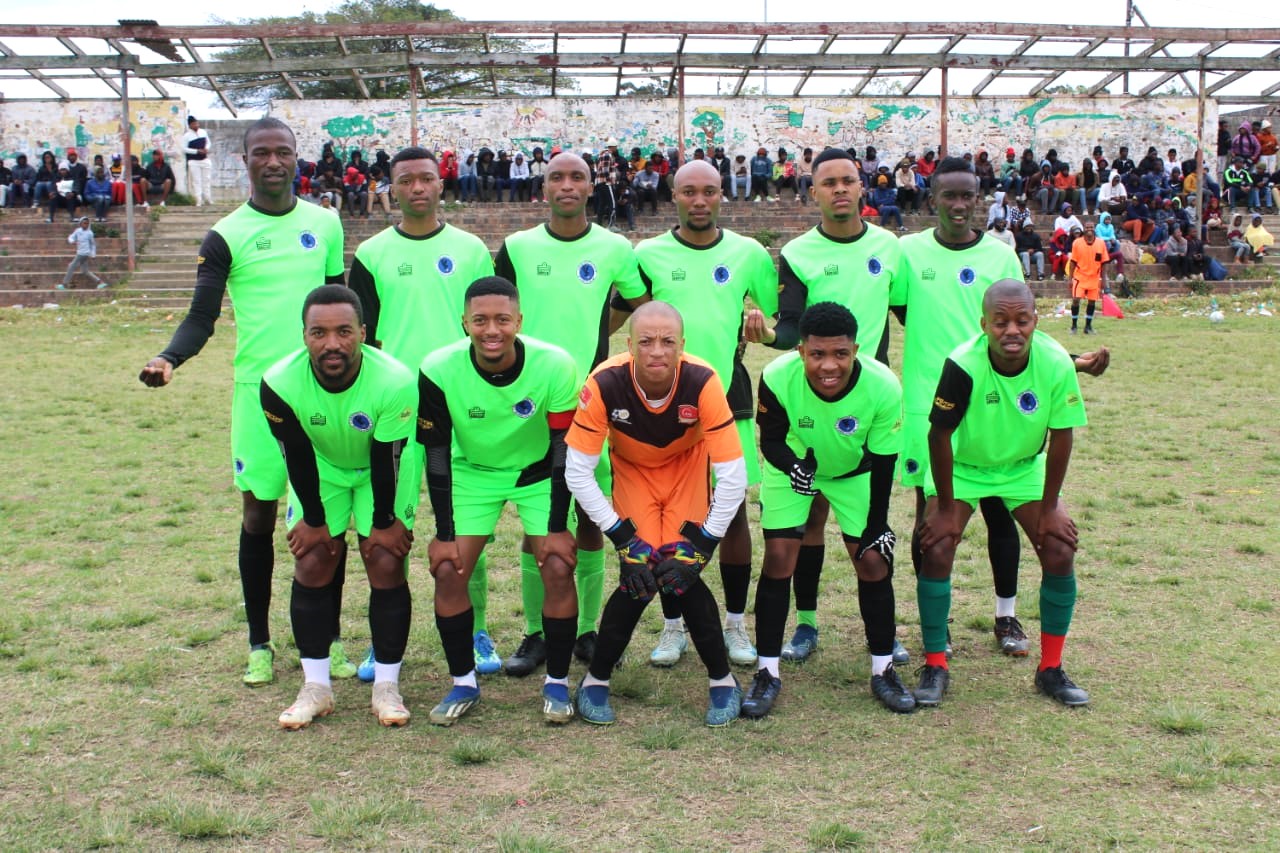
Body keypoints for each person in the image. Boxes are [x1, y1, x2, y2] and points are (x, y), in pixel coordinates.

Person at [138, 117, 350, 687]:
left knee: (328, 519)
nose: (274, 161)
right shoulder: (225, 234)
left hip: (322, 392)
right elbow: (201, 316)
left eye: (283, 151)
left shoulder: (325, 223)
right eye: (262, 153)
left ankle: (327, 640)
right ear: (245, 161)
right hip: (258, 394)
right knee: (258, 514)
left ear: (296, 158)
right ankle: (259, 642)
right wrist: (168, 359)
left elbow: (338, 305)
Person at [891, 157, 1106, 663]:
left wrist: (1071, 361)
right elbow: (899, 310)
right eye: (949, 196)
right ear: (933, 200)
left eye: (969, 196)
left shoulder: (1000, 255)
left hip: (1001, 403)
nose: (960, 205)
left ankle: (1005, 613)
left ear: (979, 199)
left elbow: (1020, 331)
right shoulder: (908, 252)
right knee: (932, 520)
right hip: (934, 403)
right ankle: (935, 625)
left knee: (1001, 518)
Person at [492, 152, 648, 674]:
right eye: (556, 176)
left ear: (590, 187)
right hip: (529, 404)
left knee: (588, 514)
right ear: (544, 187)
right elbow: (498, 312)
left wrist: (602, 320)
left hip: (590, 404)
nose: (566, 184)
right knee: (539, 520)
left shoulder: (614, 248)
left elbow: (640, 302)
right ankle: (537, 631)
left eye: (576, 176)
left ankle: (584, 629)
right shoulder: (516, 247)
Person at [622, 159, 778, 669]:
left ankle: (734, 623)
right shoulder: (648, 254)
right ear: (673, 195)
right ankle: (673, 627)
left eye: (709, 192)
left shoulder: (748, 253)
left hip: (727, 396)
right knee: (669, 517)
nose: (699, 201)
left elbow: (774, 317)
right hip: (664, 403)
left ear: (720, 196)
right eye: (688, 192)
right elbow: (636, 318)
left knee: (730, 514)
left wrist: (761, 323)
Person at [348, 146, 496, 678]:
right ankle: (385, 639)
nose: (416, 188)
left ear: (441, 185)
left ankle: (476, 631)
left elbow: (487, 325)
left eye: (426, 179)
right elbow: (365, 338)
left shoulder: (472, 249)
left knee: (464, 525)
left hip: (462, 407)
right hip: (397, 411)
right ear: (392, 189)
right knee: (387, 523)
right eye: (405, 180)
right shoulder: (371, 254)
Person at [755, 148, 908, 664]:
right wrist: (770, 333)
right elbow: (796, 329)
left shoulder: (890, 247)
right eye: (829, 183)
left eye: (848, 181)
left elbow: (911, 311)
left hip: (865, 397)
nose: (840, 189)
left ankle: (884, 635)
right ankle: (807, 621)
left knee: (864, 532)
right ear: (813, 191)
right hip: (810, 400)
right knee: (808, 519)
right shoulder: (798, 251)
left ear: (862, 186)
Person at [566, 302, 748, 727]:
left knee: (680, 570)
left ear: (682, 346)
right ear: (628, 345)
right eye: (645, 341)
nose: (656, 351)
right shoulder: (604, 382)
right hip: (634, 472)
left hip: (686, 468)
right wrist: (620, 534)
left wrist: (703, 544)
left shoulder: (703, 380)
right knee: (640, 572)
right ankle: (596, 679)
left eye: (668, 342)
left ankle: (722, 681)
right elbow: (578, 470)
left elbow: (733, 476)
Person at [914, 280, 1090, 709]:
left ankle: (1051, 668)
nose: (1012, 331)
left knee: (1060, 548)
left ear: (1035, 320)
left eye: (1022, 321)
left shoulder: (1054, 362)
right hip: (963, 465)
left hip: (1023, 468)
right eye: (1001, 322)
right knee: (936, 546)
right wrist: (942, 506)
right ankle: (935, 664)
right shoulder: (963, 364)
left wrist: (1050, 508)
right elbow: (939, 435)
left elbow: (1062, 434)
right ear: (984, 325)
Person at [418, 277, 581, 726]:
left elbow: (563, 446)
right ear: (465, 322)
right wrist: (444, 533)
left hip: (537, 472)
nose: (492, 330)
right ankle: (463, 682)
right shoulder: (437, 367)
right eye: (481, 320)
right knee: (449, 569)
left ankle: (558, 684)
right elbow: (436, 453)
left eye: (502, 319)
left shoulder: (555, 365)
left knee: (557, 564)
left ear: (519, 321)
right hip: (472, 472)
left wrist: (554, 526)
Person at [743, 302, 913, 717]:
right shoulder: (778, 376)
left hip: (858, 473)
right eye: (817, 354)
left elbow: (884, 461)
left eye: (840, 353)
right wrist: (796, 469)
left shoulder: (883, 386)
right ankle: (767, 672)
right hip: (795, 465)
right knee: (780, 557)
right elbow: (772, 442)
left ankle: (883, 669)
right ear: (801, 351)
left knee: (873, 561)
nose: (828, 365)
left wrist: (877, 525)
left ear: (856, 349)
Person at [262, 286, 417, 729]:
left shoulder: (395, 380)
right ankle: (316, 687)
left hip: (382, 468)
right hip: (322, 466)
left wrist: (384, 522)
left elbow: (385, 459)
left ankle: (387, 686)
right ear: (305, 336)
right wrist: (313, 520)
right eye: (320, 332)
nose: (332, 343)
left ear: (363, 334)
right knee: (312, 559)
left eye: (344, 331)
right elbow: (296, 454)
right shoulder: (278, 383)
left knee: (385, 558)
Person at [1068, 222, 1109, 334]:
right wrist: (1070, 278)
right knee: (1076, 300)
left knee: (1092, 302)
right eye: (1087, 227)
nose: (1089, 229)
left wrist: (1103, 279)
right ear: (1083, 229)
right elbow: (1073, 262)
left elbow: (1104, 262)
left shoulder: (1100, 243)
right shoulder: (1077, 243)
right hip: (1080, 276)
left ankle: (1088, 327)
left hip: (1094, 278)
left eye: (1091, 227)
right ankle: (1074, 326)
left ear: (1094, 229)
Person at [57, 216, 107, 290]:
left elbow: (93, 244)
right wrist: (72, 241)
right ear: (80, 224)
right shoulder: (78, 231)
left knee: (71, 267)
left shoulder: (90, 233)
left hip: (84, 253)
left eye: (87, 223)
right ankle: (100, 282)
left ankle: (64, 284)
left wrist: (93, 254)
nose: (85, 225)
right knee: (85, 271)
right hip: (80, 252)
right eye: (84, 223)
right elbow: (71, 237)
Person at [182, 116, 214, 207]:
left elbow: (208, 142)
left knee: (206, 179)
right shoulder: (186, 136)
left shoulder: (203, 132)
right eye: (194, 124)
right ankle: (198, 200)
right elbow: (184, 149)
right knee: (197, 181)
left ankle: (208, 199)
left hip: (204, 159)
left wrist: (206, 149)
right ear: (190, 125)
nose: (196, 125)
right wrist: (196, 151)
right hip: (193, 161)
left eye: (197, 123)